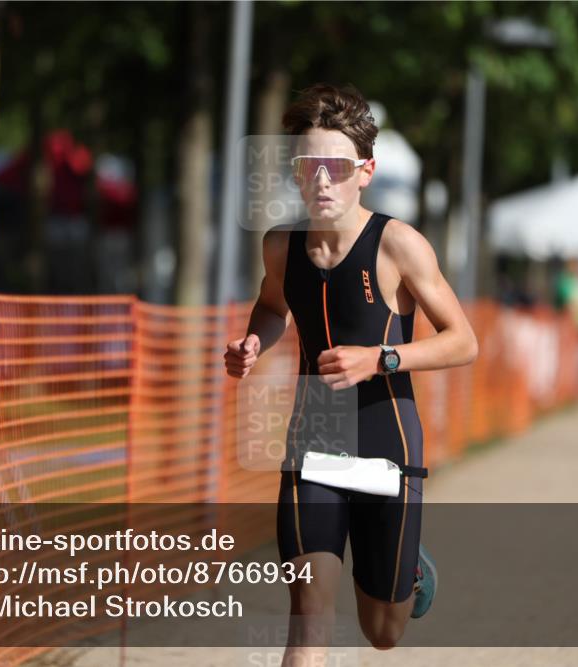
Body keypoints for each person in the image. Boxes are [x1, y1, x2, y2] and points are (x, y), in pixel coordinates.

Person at [223, 84, 478, 658]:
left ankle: (409, 573)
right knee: (309, 614)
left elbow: (464, 341)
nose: (320, 180)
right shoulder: (281, 247)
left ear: (365, 172)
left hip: (387, 445)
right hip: (312, 445)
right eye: (306, 166)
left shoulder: (398, 245)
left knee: (382, 631)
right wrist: (254, 342)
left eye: (335, 167)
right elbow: (272, 307)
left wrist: (380, 358)